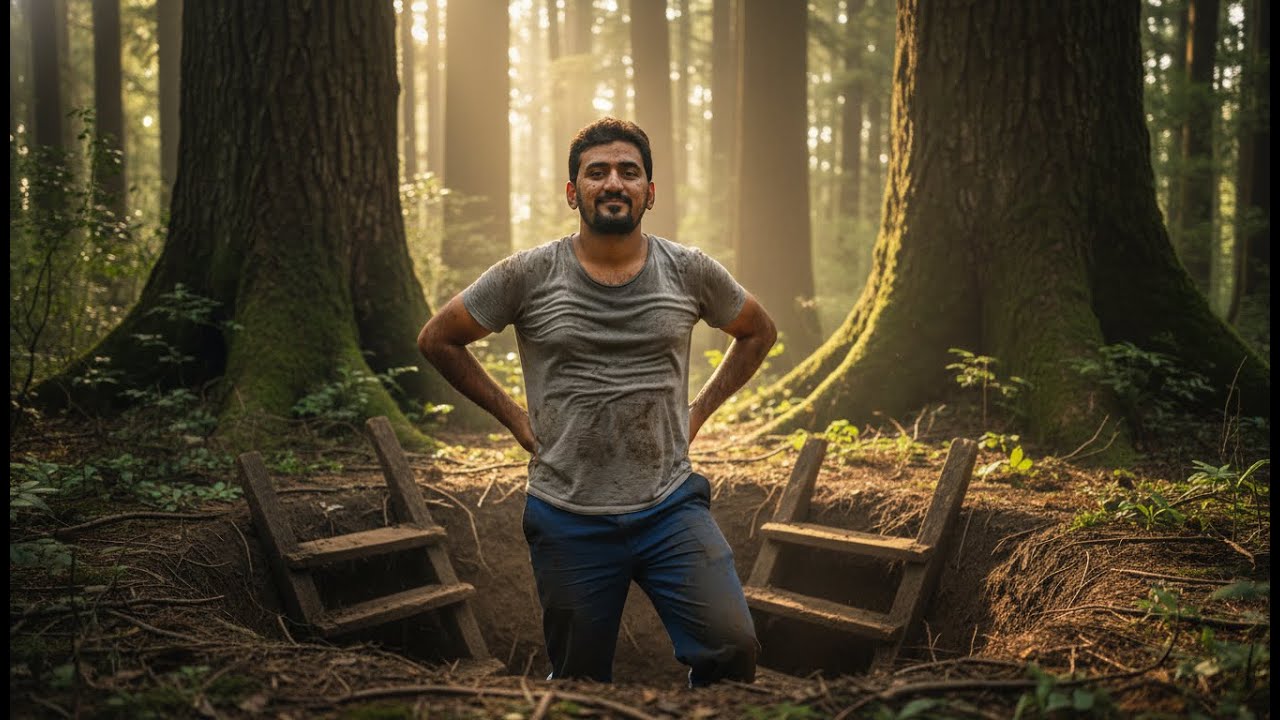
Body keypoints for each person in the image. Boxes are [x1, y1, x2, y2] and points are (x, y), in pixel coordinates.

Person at [417, 117, 777, 686]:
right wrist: (514, 418)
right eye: (597, 172)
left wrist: (699, 411)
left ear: (649, 193)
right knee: (580, 682)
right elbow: (438, 338)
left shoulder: (689, 270)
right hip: (567, 515)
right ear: (572, 192)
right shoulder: (527, 273)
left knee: (732, 648)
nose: (614, 182)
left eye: (629, 172)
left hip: (670, 505)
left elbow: (758, 330)